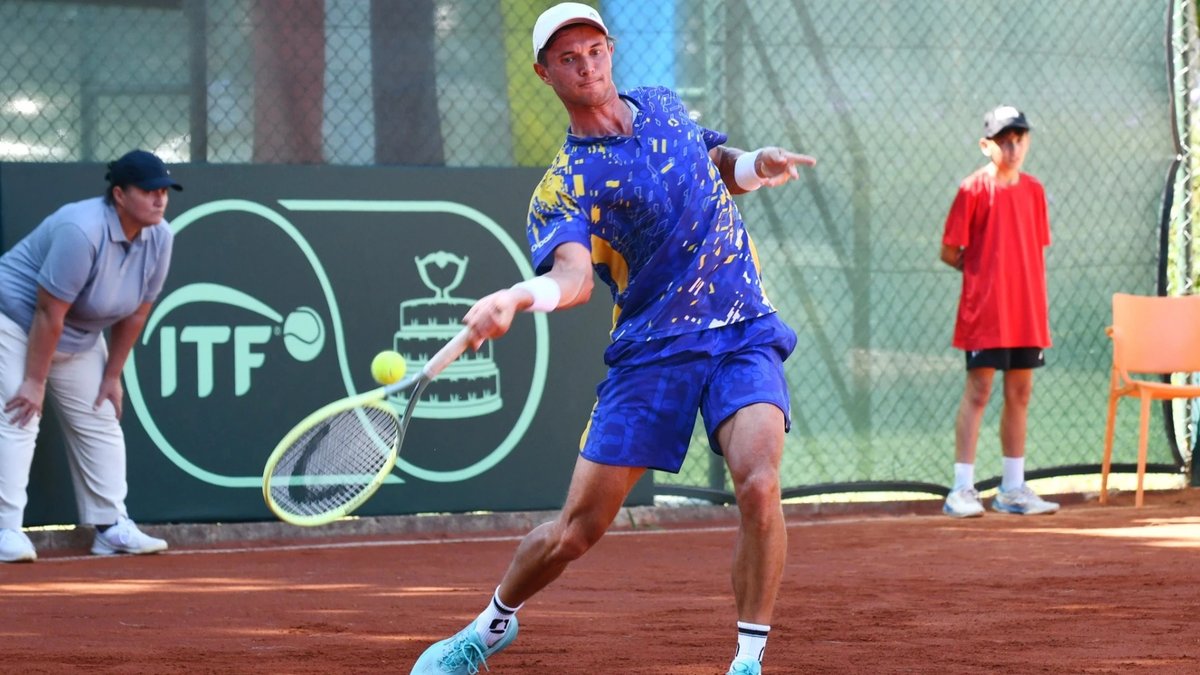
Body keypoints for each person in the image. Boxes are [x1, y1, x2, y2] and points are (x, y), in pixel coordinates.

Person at [410, 4, 815, 674]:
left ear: (611, 49)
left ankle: (748, 660)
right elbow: (572, 276)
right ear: (545, 73)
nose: (587, 66)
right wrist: (517, 296)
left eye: (594, 50)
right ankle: (487, 627)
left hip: (741, 329)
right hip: (650, 355)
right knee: (576, 532)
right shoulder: (563, 186)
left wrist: (754, 164)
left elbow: (711, 162)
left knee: (759, 482)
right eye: (568, 58)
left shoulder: (662, 105)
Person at [0, 149, 179, 562]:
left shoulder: (161, 237)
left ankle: (110, 527)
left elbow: (137, 313)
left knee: (101, 416)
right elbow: (48, 312)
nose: (159, 199)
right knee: (20, 415)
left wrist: (113, 375)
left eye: (164, 191)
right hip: (15, 321)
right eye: (149, 191)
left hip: (78, 333)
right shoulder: (82, 230)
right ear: (119, 194)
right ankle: (6, 529)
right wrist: (34, 381)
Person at [939, 106, 1059, 519]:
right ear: (985, 145)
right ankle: (961, 490)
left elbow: (1031, 248)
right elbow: (949, 251)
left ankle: (1012, 489)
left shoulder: (1035, 191)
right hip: (985, 313)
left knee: (1020, 394)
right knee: (979, 391)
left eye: (1019, 139)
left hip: (1027, 313)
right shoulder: (972, 190)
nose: (1013, 148)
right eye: (1004, 141)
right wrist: (983, 272)